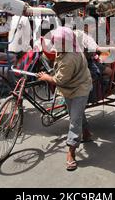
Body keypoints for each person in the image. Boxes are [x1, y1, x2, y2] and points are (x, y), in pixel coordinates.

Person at [37, 27, 93, 172]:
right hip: (70, 87)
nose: (55, 45)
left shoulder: (70, 57)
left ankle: (71, 153)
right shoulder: (66, 48)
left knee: (74, 120)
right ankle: (86, 133)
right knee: (76, 113)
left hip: (80, 87)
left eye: (58, 42)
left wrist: (46, 77)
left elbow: (59, 80)